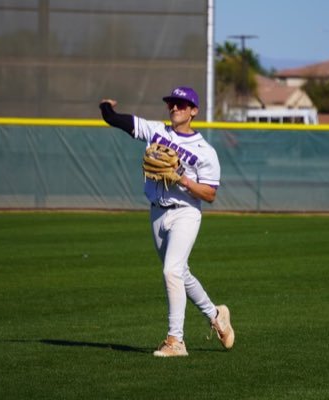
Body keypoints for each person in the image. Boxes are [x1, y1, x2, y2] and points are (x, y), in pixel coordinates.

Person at [99, 86, 234, 357]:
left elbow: (210, 195)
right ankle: (216, 314)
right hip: (157, 213)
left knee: (171, 271)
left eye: (181, 104)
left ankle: (176, 341)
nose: (174, 108)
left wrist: (182, 178)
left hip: (185, 212)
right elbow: (116, 121)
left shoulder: (205, 151)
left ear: (194, 111)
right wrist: (106, 108)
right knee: (179, 273)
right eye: (171, 103)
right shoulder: (156, 131)